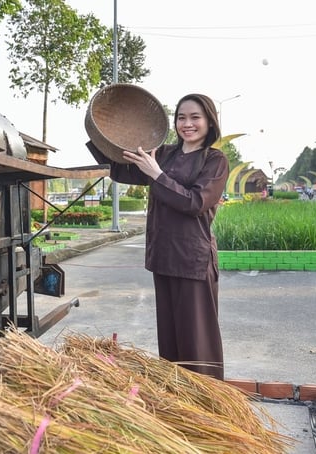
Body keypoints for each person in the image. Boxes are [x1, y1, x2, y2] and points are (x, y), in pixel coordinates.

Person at [87, 93, 229, 380]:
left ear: (209, 121)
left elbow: (195, 203)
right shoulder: (164, 154)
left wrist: (157, 174)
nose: (187, 124)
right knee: (171, 341)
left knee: (197, 342)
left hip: (193, 260)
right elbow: (121, 167)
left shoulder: (214, 160)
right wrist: (101, 130)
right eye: (181, 117)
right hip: (163, 257)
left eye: (194, 117)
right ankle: (177, 400)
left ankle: (209, 404)